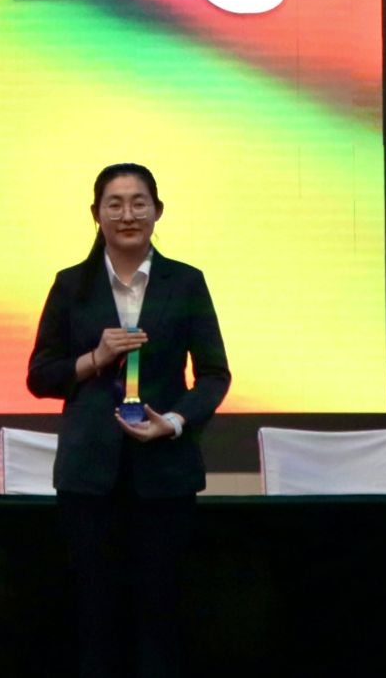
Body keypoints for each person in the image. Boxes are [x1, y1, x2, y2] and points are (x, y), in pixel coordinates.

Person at [27, 163, 231, 678]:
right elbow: (41, 376)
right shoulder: (71, 285)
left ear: (158, 211)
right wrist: (94, 359)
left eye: (139, 202)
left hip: (164, 474)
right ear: (95, 214)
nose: (127, 214)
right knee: (95, 619)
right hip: (89, 478)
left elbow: (214, 375)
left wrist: (175, 422)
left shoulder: (186, 282)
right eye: (114, 204)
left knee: (161, 617)